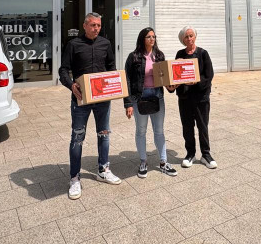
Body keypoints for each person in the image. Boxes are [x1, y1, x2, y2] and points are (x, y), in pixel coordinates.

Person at [58, 12, 121, 200]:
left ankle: (103, 169)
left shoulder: (105, 44)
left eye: (99, 26)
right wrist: (71, 85)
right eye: (93, 25)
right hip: (81, 99)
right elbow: (63, 70)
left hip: (102, 98)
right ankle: (74, 177)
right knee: (77, 137)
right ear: (85, 26)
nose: (96, 29)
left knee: (104, 134)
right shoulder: (73, 44)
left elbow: (111, 66)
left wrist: (113, 83)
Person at [123, 28, 178, 178]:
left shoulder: (159, 56)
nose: (152, 39)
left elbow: (165, 77)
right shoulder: (133, 57)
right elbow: (126, 80)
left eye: (153, 36)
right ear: (142, 38)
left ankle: (163, 162)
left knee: (159, 131)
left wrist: (172, 86)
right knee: (141, 131)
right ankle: (143, 161)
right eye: (148, 37)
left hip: (157, 96)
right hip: (139, 98)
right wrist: (128, 103)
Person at [173, 26, 215, 169]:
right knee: (187, 127)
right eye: (186, 37)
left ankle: (206, 155)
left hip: (201, 97)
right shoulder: (180, 54)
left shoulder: (203, 54)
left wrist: (196, 81)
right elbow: (175, 77)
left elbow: (209, 75)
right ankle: (190, 153)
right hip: (185, 98)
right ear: (182, 40)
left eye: (191, 36)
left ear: (195, 37)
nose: (189, 39)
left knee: (203, 126)